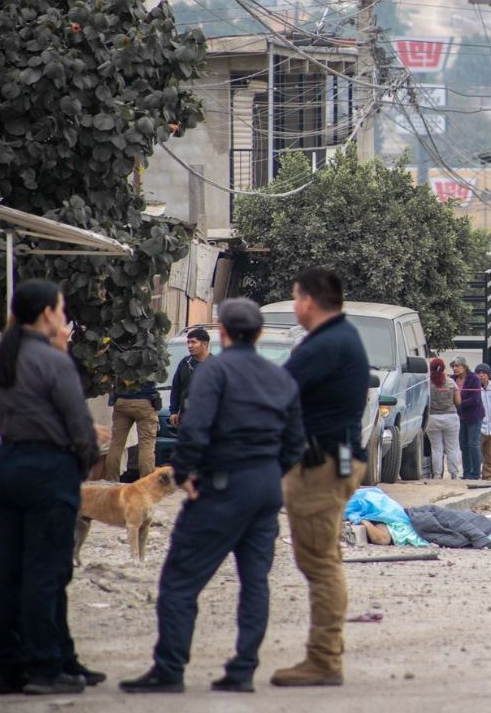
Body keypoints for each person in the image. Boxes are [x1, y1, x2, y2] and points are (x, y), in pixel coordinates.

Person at [120, 299, 306, 694]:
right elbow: (295, 443)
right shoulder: (280, 378)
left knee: (180, 580)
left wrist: (184, 475)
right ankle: (243, 670)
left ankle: (170, 669)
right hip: (265, 490)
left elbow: (195, 429)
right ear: (258, 334)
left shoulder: (214, 372)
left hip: (221, 488)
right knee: (255, 581)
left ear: (221, 333)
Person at [0, 279, 103, 696]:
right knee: (45, 570)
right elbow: (79, 427)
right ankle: (45, 666)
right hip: (48, 467)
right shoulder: (52, 361)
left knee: (4, 568)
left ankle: (5, 667)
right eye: (61, 307)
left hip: (5, 464)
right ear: (49, 313)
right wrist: (82, 464)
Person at [271, 268, 369, 688]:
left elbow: (275, 390)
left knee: (320, 563)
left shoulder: (326, 343)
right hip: (331, 459)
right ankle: (325, 656)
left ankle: (324, 659)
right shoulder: (338, 338)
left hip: (321, 465)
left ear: (308, 300)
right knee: (325, 559)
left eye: (295, 297)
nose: (295, 306)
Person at [105, 375, 160, 482]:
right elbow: (159, 375)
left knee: (116, 443)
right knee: (146, 445)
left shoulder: (119, 356)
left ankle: (111, 481)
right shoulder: (150, 357)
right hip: (145, 400)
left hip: (121, 400)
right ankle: (146, 483)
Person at [425, 358, 462, 480]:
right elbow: (458, 401)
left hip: (432, 418)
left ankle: (437, 474)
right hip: (451, 417)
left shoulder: (427, 384)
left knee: (436, 449)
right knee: (452, 448)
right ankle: (454, 474)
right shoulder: (451, 383)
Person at [168, 327, 211, 429]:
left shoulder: (215, 365)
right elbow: (176, 388)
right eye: (188, 342)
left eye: (193, 342)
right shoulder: (185, 363)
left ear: (204, 344)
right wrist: (173, 411)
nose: (190, 346)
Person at [452, 358, 483, 481]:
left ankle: (475, 473)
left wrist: (459, 403)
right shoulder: (453, 379)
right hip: (460, 416)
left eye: (457, 366)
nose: (455, 368)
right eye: (453, 366)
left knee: (473, 444)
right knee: (463, 444)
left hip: (474, 415)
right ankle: (466, 472)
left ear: (464, 367)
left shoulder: (473, 379)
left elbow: (475, 399)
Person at [476, 364, 491, 481]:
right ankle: (474, 474)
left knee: (490, 455)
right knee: (477, 453)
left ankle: (488, 476)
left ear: (488, 375)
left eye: (483, 373)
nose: (481, 375)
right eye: (479, 373)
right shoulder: (474, 389)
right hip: (480, 425)